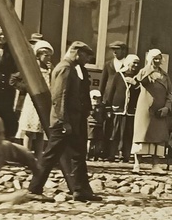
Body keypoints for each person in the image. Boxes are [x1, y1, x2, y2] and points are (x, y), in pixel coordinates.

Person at [26, 41, 102, 203]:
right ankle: (34, 189)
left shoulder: (75, 68)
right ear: (77, 53)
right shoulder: (65, 69)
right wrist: (64, 121)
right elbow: (59, 97)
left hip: (75, 121)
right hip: (65, 122)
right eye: (86, 56)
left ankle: (81, 190)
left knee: (78, 155)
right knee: (50, 156)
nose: (88, 60)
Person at [132, 49, 172, 172]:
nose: (157, 61)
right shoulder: (144, 72)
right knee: (141, 135)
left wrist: (167, 107)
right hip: (146, 108)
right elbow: (139, 79)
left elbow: (170, 93)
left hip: (160, 110)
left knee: (158, 137)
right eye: (155, 58)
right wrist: (149, 67)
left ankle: (156, 164)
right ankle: (137, 164)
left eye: (159, 58)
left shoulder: (165, 75)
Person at [15, 40, 56, 159]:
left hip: (45, 100)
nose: (48, 58)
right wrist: (28, 88)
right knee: (30, 130)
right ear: (38, 55)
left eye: (49, 55)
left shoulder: (50, 68)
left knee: (40, 131)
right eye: (45, 55)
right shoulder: (32, 67)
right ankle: (27, 156)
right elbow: (14, 79)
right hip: (32, 101)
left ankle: (39, 157)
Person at [104, 54, 141, 163]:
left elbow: (141, 93)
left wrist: (136, 84)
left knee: (128, 133)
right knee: (115, 133)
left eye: (137, 63)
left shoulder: (138, 77)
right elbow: (111, 91)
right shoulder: (118, 75)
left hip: (130, 110)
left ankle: (125, 155)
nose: (135, 65)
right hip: (118, 109)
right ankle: (112, 154)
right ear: (128, 63)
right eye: (134, 63)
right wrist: (108, 106)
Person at [98, 40, 129, 159]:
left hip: (120, 98)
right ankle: (105, 151)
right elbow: (103, 81)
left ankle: (120, 151)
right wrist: (101, 97)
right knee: (108, 125)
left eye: (117, 49)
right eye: (113, 50)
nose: (115, 52)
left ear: (123, 50)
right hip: (108, 97)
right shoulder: (108, 64)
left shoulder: (128, 64)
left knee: (121, 127)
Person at [87, 89, 105, 161]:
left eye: (98, 98)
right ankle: (88, 154)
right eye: (94, 98)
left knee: (98, 140)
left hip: (99, 125)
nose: (96, 100)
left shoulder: (102, 107)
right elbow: (91, 113)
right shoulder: (89, 106)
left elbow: (104, 115)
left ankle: (96, 155)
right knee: (90, 140)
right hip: (91, 124)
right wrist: (93, 107)